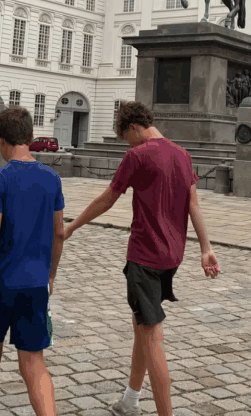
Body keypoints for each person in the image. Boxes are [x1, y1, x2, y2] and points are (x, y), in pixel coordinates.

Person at [64, 101, 219, 416]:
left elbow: (107, 199)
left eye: (125, 137)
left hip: (145, 256)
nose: (127, 144)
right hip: (171, 257)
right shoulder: (182, 154)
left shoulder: (137, 156)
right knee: (143, 327)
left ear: (133, 127)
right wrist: (206, 247)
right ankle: (130, 401)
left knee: (152, 337)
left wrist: (71, 227)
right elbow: (194, 205)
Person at [0, 106, 65, 416]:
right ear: (29, 136)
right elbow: (59, 234)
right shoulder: (52, 179)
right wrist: (50, 276)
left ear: (1, 140)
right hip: (35, 283)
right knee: (34, 362)